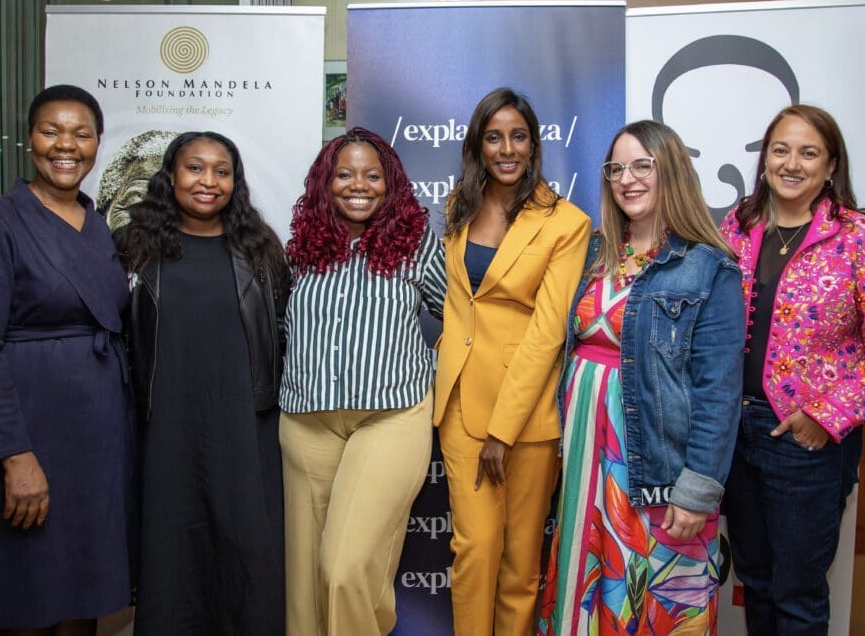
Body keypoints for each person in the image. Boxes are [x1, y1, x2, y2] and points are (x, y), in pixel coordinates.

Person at [0, 85, 134, 635]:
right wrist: (14, 457)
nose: (66, 145)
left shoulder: (97, 225)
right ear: (29, 139)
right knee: (25, 594)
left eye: (81, 134)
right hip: (26, 434)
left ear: (97, 144)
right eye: (51, 131)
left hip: (92, 444)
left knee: (82, 595)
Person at [537, 120, 745, 635]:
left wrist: (696, 490)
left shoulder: (709, 267)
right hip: (584, 462)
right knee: (584, 585)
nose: (627, 179)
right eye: (616, 169)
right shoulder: (594, 252)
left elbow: (719, 393)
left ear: (670, 170)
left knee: (656, 598)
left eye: (641, 166)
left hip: (657, 467)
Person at [720, 104, 865, 635]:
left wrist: (825, 418)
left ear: (830, 166)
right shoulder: (737, 228)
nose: (791, 163)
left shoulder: (863, 238)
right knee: (755, 580)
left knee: (798, 594)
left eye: (808, 153)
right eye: (780, 150)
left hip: (804, 440)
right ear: (765, 159)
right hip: (734, 433)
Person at [115, 131, 289, 634]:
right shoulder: (133, 248)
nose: (208, 181)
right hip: (165, 428)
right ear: (171, 175)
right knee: (171, 554)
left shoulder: (261, 250)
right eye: (195, 168)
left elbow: (283, 331)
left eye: (221, 171)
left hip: (245, 428)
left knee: (246, 555)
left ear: (235, 182)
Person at [434, 87, 591, 635]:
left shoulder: (567, 223)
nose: (506, 149)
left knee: (521, 565)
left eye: (518, 137)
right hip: (460, 403)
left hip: (527, 415)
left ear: (534, 145)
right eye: (494, 137)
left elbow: (547, 334)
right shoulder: (459, 207)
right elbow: (460, 306)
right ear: (478, 146)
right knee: (474, 550)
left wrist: (502, 431)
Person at [279, 127, 446, 636]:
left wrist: (428, 367)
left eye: (372, 175)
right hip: (306, 420)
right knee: (306, 583)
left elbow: (463, 322)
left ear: (390, 183)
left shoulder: (416, 245)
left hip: (390, 416)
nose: (358, 185)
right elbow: (279, 325)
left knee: (344, 568)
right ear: (324, 183)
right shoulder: (301, 250)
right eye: (344, 174)